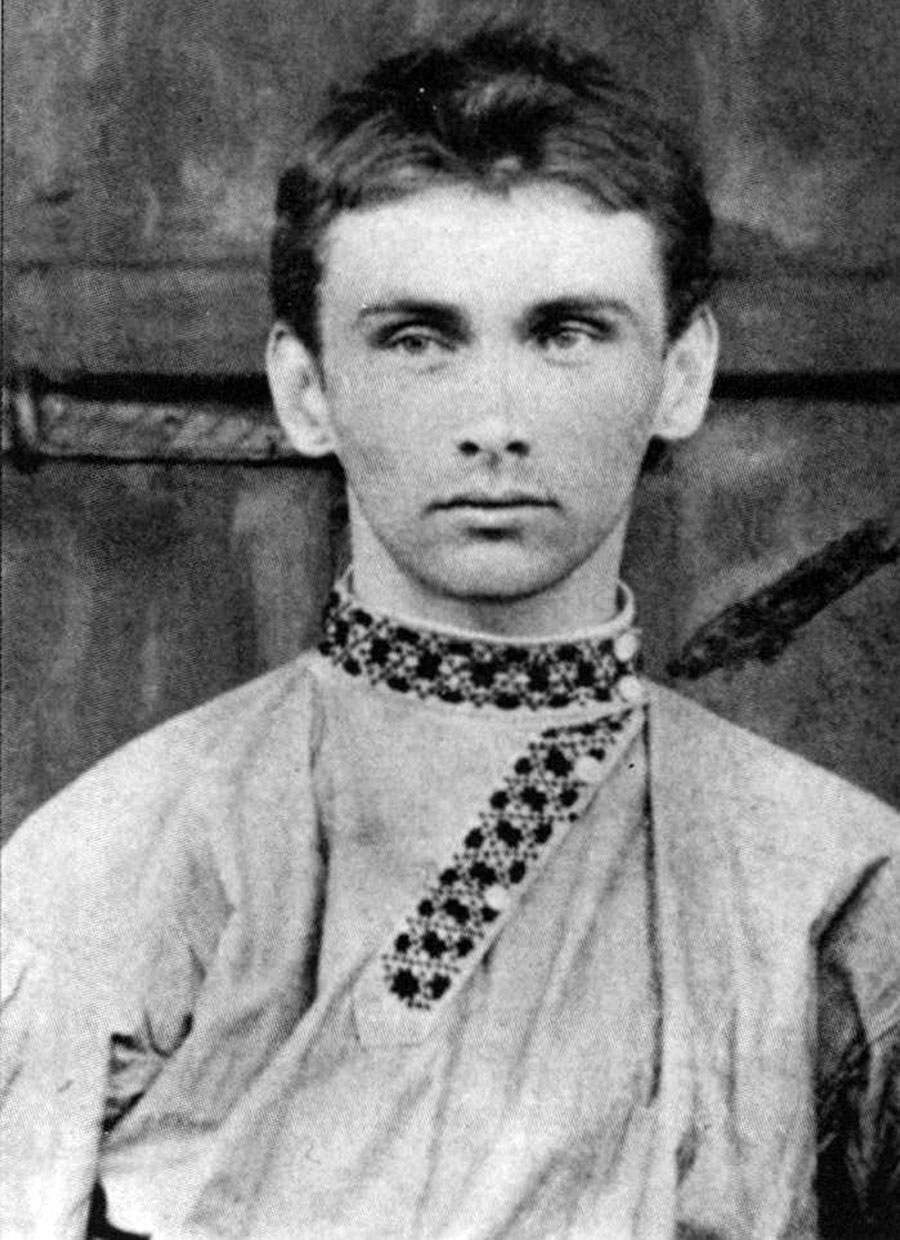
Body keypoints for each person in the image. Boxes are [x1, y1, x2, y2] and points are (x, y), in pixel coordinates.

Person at [2, 24, 898, 1240]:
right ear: (306, 390)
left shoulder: (833, 875)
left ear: (681, 374)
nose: (494, 420)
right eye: (418, 339)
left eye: (566, 332)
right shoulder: (120, 860)